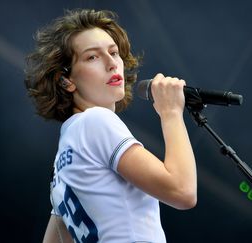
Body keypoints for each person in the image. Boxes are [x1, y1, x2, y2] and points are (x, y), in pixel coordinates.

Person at [24, 9, 197, 243]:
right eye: (92, 57)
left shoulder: (64, 157)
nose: (111, 63)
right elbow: (182, 192)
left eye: (114, 52)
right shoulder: (96, 121)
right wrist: (171, 113)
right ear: (66, 80)